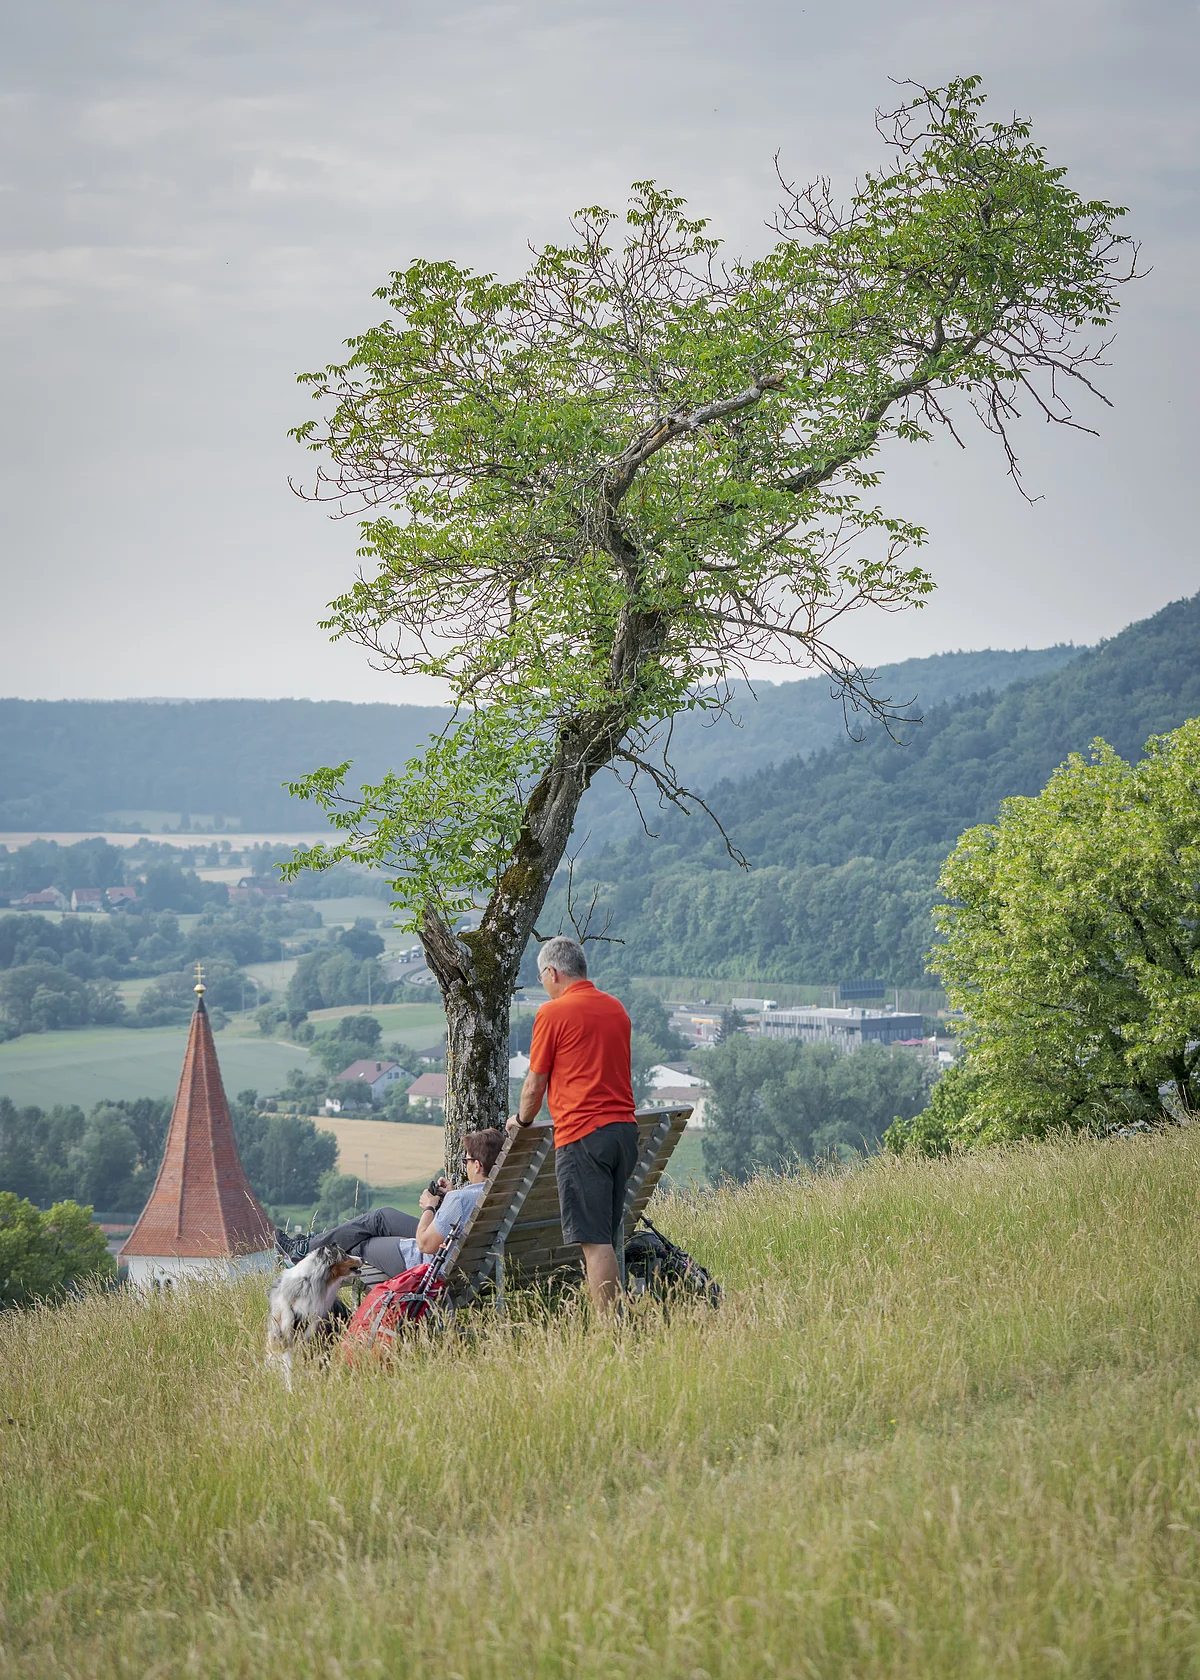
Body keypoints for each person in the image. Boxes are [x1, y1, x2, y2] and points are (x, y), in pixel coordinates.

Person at [509, 936, 637, 1315]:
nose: (543, 986)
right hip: (624, 1133)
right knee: (606, 1237)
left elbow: (535, 1084)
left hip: (584, 1135)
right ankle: (616, 1318)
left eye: (540, 978)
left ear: (552, 972)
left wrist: (521, 1121)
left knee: (594, 1242)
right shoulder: (616, 1009)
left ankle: (609, 1329)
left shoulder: (553, 1013)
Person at [274, 1128, 504, 1275]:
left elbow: (425, 1245)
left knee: (359, 1242)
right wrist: (452, 1195)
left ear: (477, 1165)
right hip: (473, 1261)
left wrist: (430, 1207)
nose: (465, 1164)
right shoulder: (503, 1193)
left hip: (432, 1266)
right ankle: (309, 1247)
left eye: (466, 1160)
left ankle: (305, 1254)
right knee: (381, 1217)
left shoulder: (461, 1199)